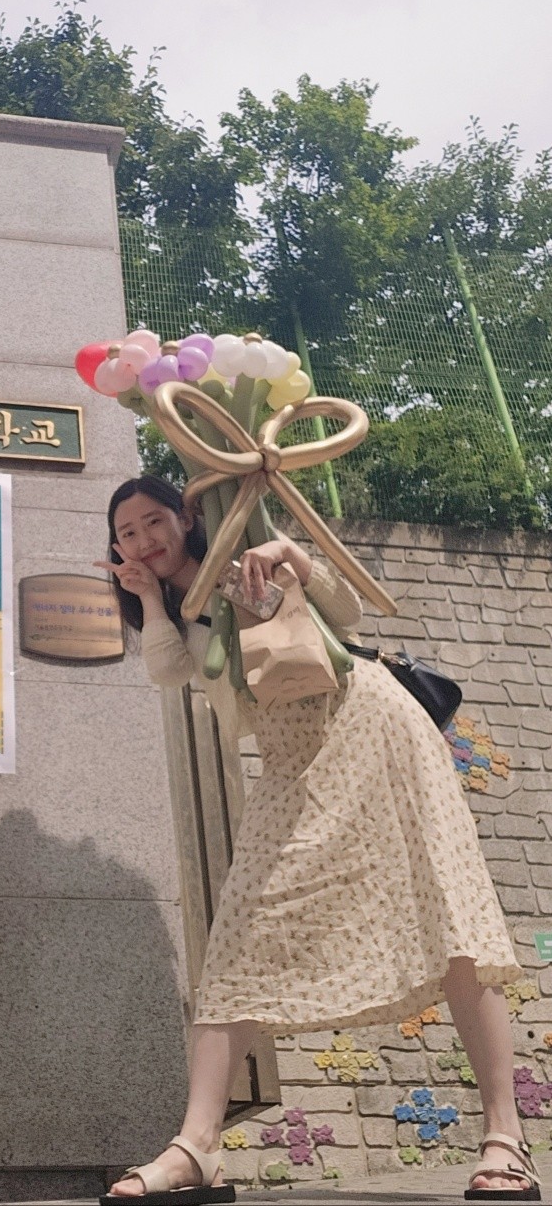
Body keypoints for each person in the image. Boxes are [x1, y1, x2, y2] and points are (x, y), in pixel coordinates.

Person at [98, 476, 537, 1204]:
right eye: (126, 532)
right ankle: (196, 1147)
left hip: (369, 723)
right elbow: (170, 670)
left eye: (153, 521)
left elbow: (346, 611)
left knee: (451, 916)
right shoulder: (173, 606)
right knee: (239, 934)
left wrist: (290, 557)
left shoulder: (244, 548)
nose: (143, 539)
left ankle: (504, 1136)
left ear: (184, 516)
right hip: (289, 757)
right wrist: (147, 597)